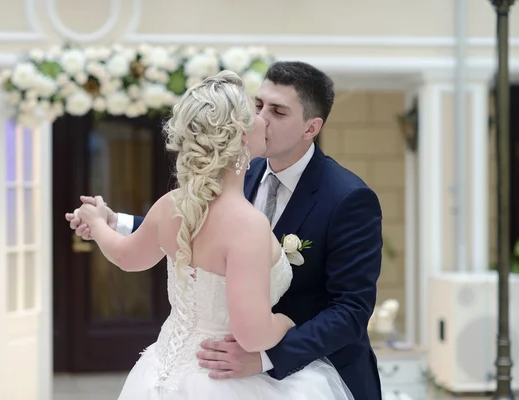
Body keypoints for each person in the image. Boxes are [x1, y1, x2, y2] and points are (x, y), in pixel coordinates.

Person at [68, 61, 383, 399]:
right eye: (258, 106)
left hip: (303, 366)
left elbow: (350, 310)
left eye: (277, 111)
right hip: (213, 373)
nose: (261, 118)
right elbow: (196, 231)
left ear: (311, 128)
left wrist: (267, 358)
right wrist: (117, 222)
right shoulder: (239, 174)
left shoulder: (348, 198)